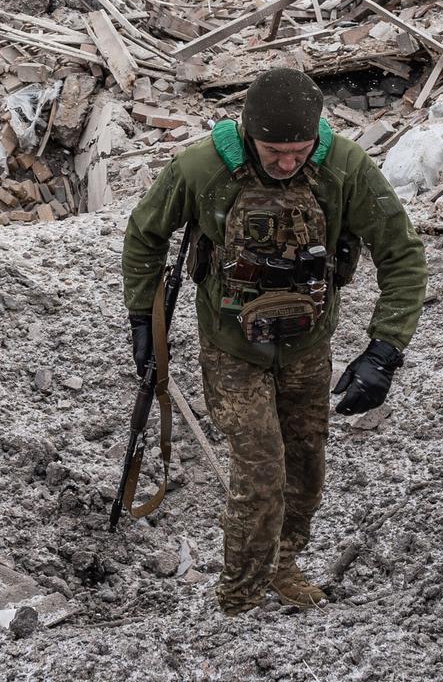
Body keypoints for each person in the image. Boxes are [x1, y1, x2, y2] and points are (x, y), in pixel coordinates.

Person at [120, 67, 427, 615]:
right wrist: (144, 319)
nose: (287, 164)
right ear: (247, 134)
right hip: (232, 347)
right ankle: (239, 594)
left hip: (309, 345)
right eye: (274, 152)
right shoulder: (201, 168)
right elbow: (145, 234)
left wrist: (385, 349)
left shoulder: (345, 169)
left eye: (299, 152)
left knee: (306, 463)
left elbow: (402, 253)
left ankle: (283, 563)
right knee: (261, 468)